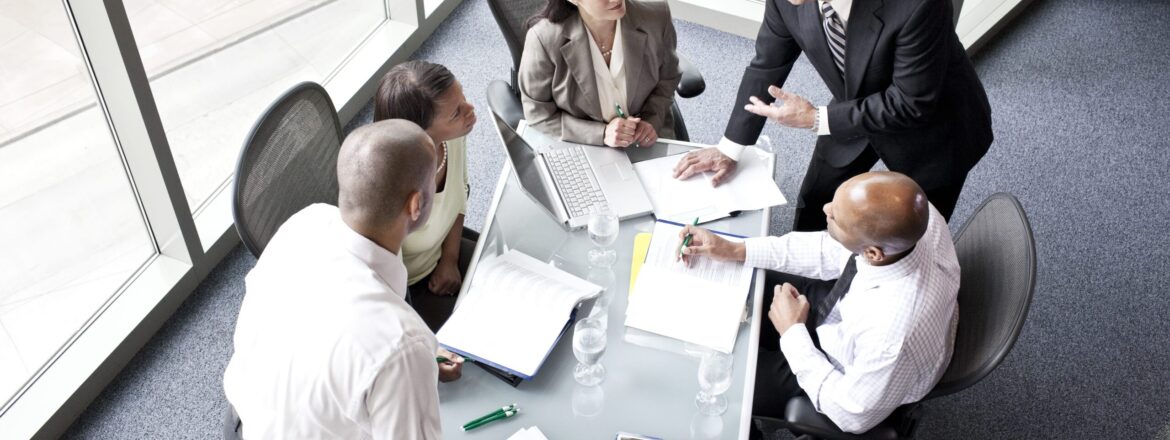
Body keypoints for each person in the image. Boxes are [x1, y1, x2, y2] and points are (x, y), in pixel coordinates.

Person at [223, 120, 464, 439]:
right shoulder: (402, 344)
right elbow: (384, 345)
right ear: (416, 204)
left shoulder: (304, 222)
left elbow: (324, 329)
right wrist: (411, 365)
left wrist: (417, 364)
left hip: (244, 422)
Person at [678, 171, 960, 435]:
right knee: (734, 282)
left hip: (843, 376)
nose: (826, 209)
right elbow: (829, 249)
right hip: (845, 314)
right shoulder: (916, 216)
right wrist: (736, 249)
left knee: (717, 377)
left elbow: (851, 414)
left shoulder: (892, 336)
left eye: (836, 217)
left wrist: (792, 333)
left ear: (873, 253)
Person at [672, 0, 992, 231]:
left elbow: (911, 103)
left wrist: (817, 119)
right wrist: (729, 148)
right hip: (850, 106)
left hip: (936, 128)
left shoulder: (919, 4)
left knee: (911, 233)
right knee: (816, 201)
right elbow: (766, 65)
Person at [374, 61, 479, 332]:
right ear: (419, 134)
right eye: (456, 113)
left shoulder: (453, 138)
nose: (470, 110)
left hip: (443, 255)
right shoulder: (390, 191)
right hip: (403, 293)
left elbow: (458, 198)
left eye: (463, 97)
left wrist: (450, 259)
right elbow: (381, 291)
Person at [519, 0, 681, 148]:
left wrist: (651, 120)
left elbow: (667, 80)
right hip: (585, 145)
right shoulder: (544, 39)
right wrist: (601, 133)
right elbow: (538, 113)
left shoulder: (657, 15)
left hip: (647, 140)